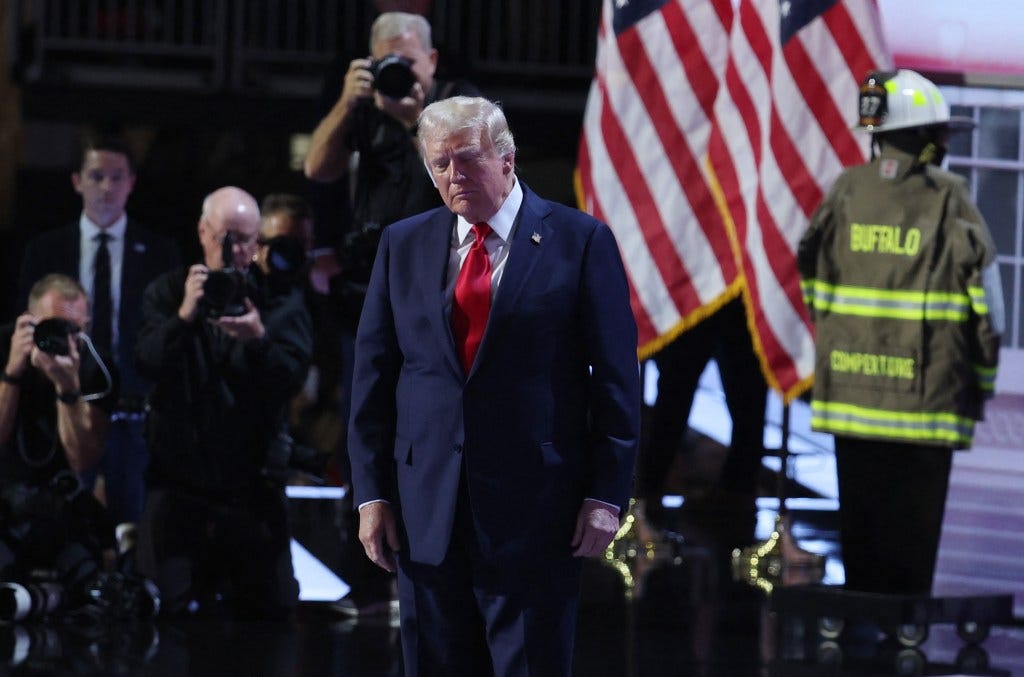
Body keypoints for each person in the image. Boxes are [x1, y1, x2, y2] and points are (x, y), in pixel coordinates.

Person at [348, 96, 641, 676]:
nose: (453, 176)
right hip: (425, 508)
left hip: (537, 510)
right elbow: (372, 377)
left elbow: (616, 383)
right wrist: (371, 493)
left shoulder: (580, 242)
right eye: (439, 164)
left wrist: (606, 495)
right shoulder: (402, 244)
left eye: (466, 158)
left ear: (507, 158)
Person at [798, 69, 1004, 595]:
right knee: (910, 558)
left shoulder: (845, 190)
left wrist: (839, 340)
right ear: (925, 138)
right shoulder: (951, 198)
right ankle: (904, 630)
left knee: (861, 541)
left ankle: (861, 623)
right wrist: (980, 382)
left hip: (850, 396)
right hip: (924, 403)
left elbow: (811, 277)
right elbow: (990, 312)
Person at [304, 10, 481, 483]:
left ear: (433, 60)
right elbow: (317, 168)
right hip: (370, 285)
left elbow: (473, 183)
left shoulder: (461, 104)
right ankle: (360, 505)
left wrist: (417, 123)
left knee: (433, 403)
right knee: (364, 404)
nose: (398, 72)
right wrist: (346, 102)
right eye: (387, 63)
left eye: (407, 60)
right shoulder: (365, 109)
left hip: (443, 289)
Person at [132, 186, 313, 619]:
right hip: (179, 481)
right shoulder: (169, 291)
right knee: (161, 612)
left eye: (247, 240)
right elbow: (145, 362)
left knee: (274, 612)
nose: (234, 250)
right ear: (202, 232)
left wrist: (259, 341)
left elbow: (291, 381)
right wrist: (184, 317)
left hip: (250, 483)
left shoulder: (279, 300)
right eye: (224, 236)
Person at [17, 135, 180, 530]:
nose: (106, 187)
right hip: (67, 405)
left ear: (131, 183)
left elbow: (169, 336)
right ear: (76, 181)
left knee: (139, 526)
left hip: (138, 412)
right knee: (63, 520)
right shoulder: (45, 250)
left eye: (116, 177)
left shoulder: (161, 252)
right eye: (96, 176)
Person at [0, 274, 117, 586]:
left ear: (87, 326)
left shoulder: (95, 367)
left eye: (75, 330)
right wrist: (11, 373)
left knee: (86, 580)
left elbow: (82, 459)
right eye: (52, 327)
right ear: (27, 323)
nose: (64, 340)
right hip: (5, 500)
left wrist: (67, 389)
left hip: (62, 503)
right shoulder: (4, 346)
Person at [638, 297, 768, 517]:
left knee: (745, 395)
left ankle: (737, 489)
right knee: (675, 390)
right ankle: (650, 486)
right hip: (706, 292)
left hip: (732, 295)